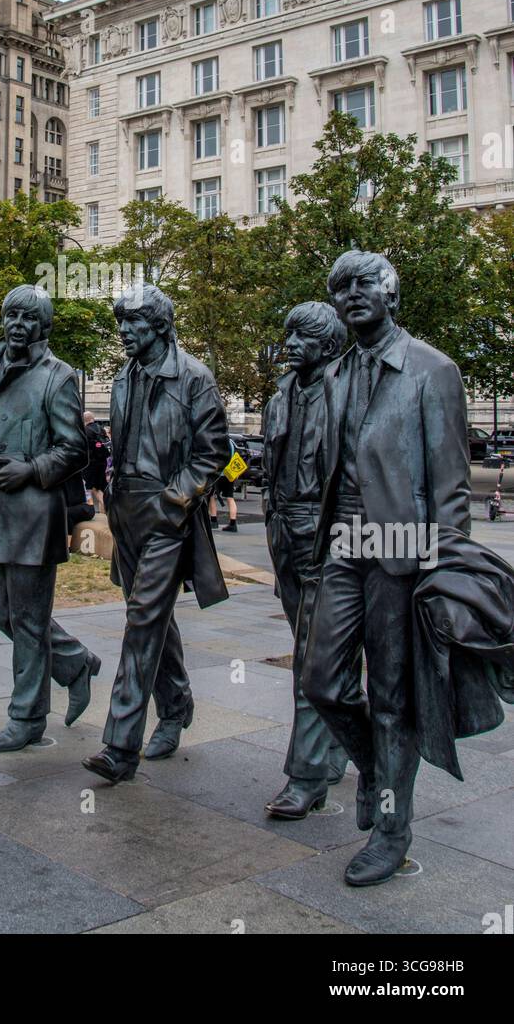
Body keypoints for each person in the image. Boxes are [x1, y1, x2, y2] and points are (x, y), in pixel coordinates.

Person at [303, 251, 472, 886]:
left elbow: (452, 487)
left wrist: (446, 572)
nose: (349, 295)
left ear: (390, 292)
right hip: (345, 543)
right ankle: (374, 770)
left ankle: (392, 832)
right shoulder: (338, 371)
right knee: (321, 680)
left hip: (404, 552)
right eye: (339, 287)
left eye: (362, 284)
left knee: (394, 700)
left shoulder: (433, 371)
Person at [83, 285, 229, 785]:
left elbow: (213, 454)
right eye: (121, 323)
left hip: (168, 514)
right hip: (127, 514)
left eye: (134, 324)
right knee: (151, 617)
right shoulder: (124, 375)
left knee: (143, 619)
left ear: (161, 326)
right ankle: (177, 704)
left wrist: (175, 500)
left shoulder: (195, 379)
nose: (124, 332)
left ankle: (120, 746)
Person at [0, 284, 101, 752]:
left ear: (42, 325)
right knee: (2, 614)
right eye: (11, 317)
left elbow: (74, 449)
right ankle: (75, 662)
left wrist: (30, 469)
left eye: (27, 319)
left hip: (32, 511)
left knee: (29, 619)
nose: (17, 326)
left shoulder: (56, 377)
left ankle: (27, 718)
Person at [261, 300, 359, 821]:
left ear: (325, 345)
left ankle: (306, 777)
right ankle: (342, 743)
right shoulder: (281, 395)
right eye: (288, 336)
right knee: (317, 650)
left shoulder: (347, 392)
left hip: (327, 536)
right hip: (285, 531)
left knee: (311, 659)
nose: (289, 346)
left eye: (299, 338)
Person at [82, 410, 109, 512]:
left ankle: (103, 506)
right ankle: (104, 513)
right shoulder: (101, 429)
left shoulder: (85, 430)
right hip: (103, 463)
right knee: (100, 488)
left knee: (93, 488)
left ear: (84, 420)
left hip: (91, 464)